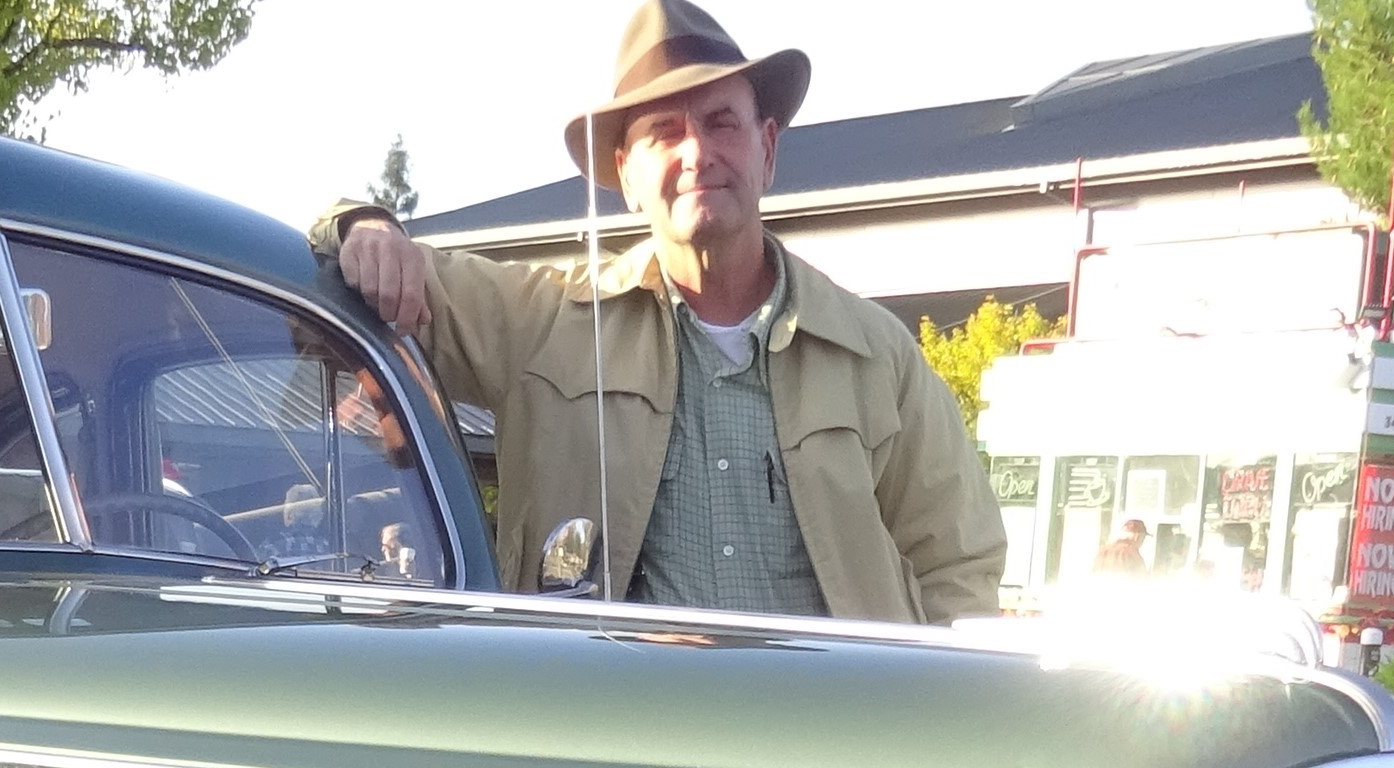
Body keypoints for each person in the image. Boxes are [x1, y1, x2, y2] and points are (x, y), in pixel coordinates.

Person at [313, 0, 1004, 623]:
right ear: (626, 177)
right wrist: (365, 226)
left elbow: (959, 566)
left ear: (765, 149)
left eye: (720, 122)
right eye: (663, 133)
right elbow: (350, 264)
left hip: (830, 743)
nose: (696, 152)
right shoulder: (543, 323)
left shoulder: (877, 355)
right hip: (617, 744)